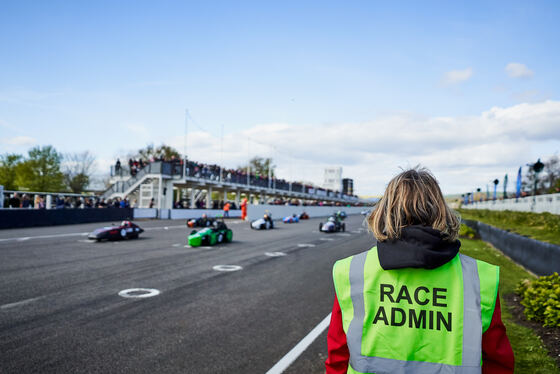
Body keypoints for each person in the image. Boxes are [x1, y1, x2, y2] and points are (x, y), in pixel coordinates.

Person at [325, 168, 514, 374]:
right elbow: (497, 361)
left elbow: (338, 357)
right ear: (441, 210)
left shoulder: (351, 270)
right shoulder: (479, 277)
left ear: (385, 211)